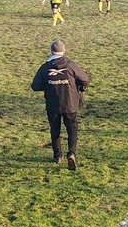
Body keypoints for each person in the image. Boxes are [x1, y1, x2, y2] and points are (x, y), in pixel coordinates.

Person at [30, 40, 90, 169]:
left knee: (55, 130)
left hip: (53, 105)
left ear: (51, 51)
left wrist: (49, 84)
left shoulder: (45, 67)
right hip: (70, 104)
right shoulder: (70, 65)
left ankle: (58, 156)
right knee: (72, 128)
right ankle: (72, 154)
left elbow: (35, 86)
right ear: (64, 51)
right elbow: (85, 79)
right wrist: (79, 87)